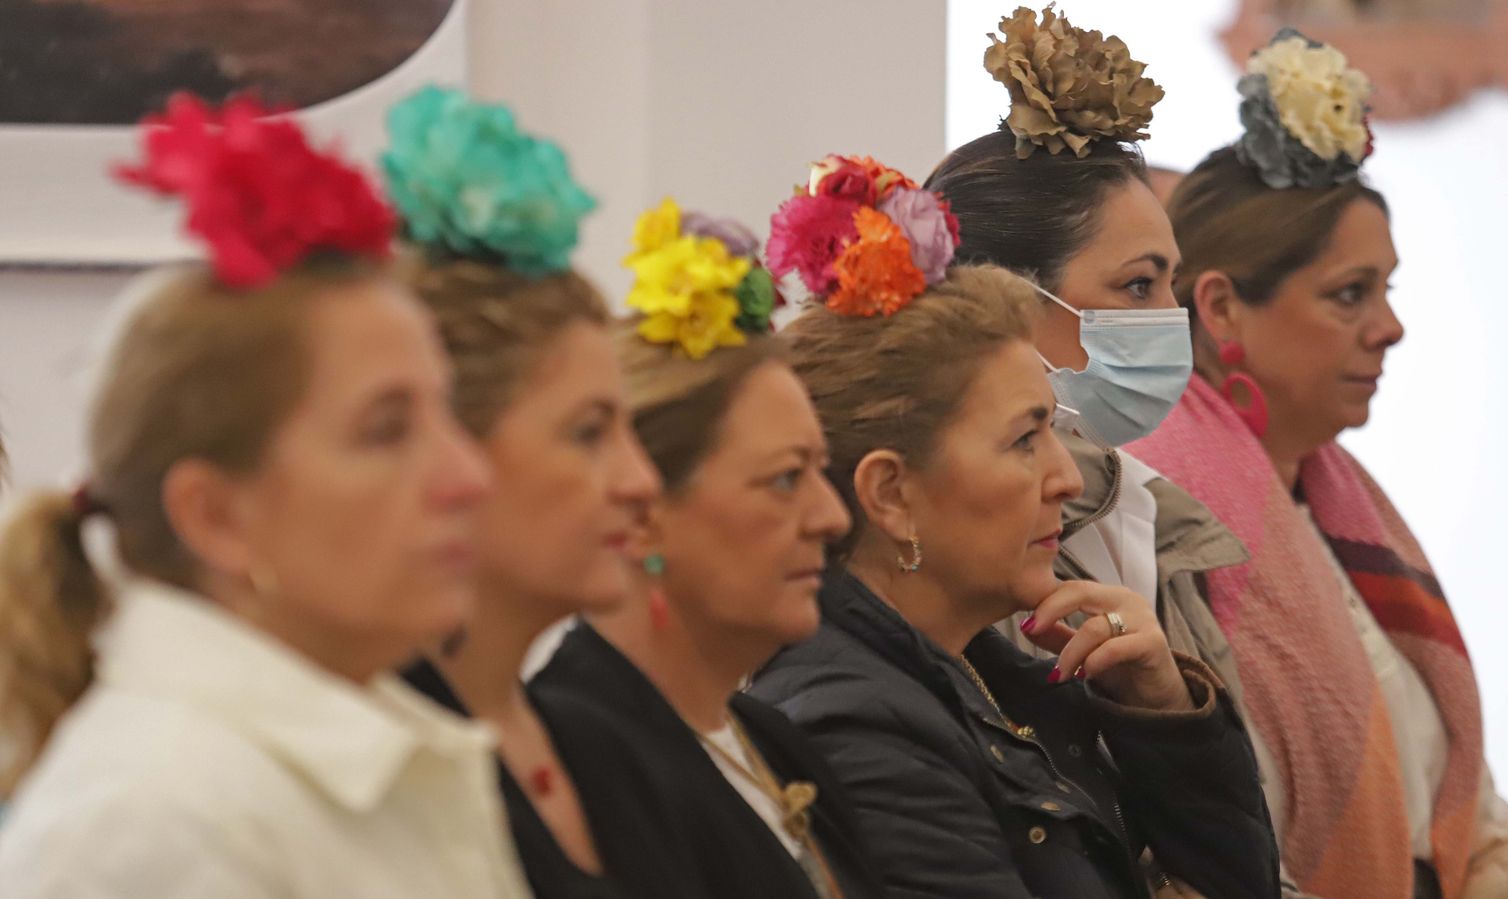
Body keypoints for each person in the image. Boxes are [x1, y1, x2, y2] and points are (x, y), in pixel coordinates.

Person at [0, 95, 528, 898]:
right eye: (387, 431)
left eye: (446, 413)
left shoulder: (376, 755)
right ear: (216, 516)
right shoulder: (159, 819)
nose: (469, 476)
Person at [1130, 29, 1508, 899]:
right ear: (1222, 308)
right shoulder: (1160, 521)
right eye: (1351, 294)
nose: (1391, 327)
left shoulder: (1342, 504)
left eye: (1388, 288)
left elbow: (1459, 805)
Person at [750, 153, 1279, 899]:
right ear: (891, 495)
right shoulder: (853, 729)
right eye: (1026, 439)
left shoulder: (998, 677)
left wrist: (1163, 713)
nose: (1067, 478)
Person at [536, 198, 883, 898]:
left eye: (820, 472)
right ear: (644, 509)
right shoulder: (583, 759)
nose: (829, 517)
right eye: (784, 479)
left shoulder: (770, 737)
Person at [380, 85, 666, 898]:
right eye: (588, 432)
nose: (641, 481)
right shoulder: (376, 775)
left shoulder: (598, 744)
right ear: (450, 453)